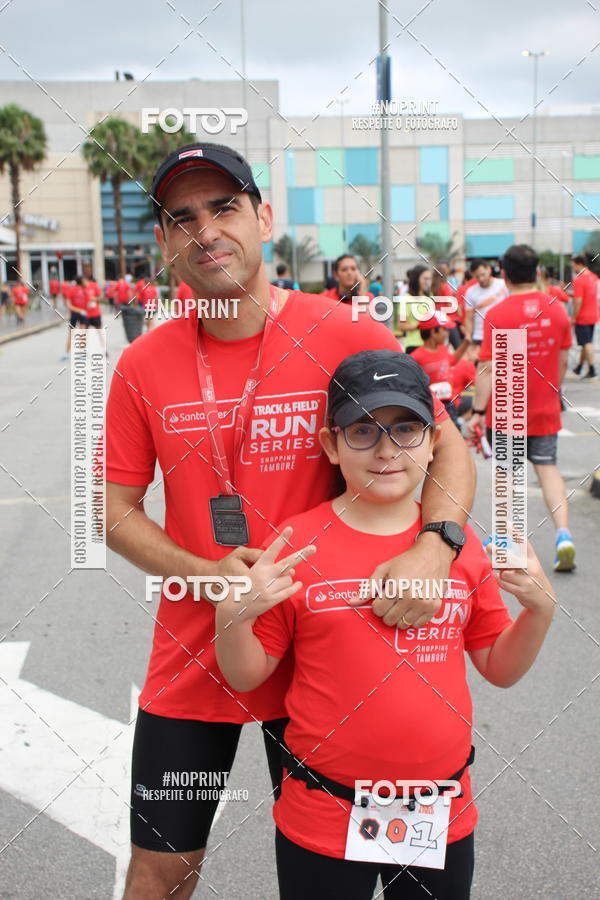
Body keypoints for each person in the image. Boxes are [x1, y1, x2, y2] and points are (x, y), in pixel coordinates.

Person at [105, 142, 476, 899]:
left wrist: (435, 549)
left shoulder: (346, 332)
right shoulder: (142, 364)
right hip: (201, 650)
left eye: (225, 207)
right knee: (161, 870)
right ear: (166, 242)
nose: (207, 230)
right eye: (183, 218)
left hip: (330, 656)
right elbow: (111, 514)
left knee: (349, 871)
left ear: (264, 217)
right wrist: (208, 576)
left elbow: (449, 449)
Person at [214, 348, 555, 900]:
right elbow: (248, 675)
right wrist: (231, 618)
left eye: (405, 430)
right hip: (324, 809)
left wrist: (539, 612)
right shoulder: (297, 544)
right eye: (362, 431)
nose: (387, 450)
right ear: (330, 445)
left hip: (436, 809)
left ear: (433, 441)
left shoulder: (456, 548)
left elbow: (499, 666)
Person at [469, 244, 575, 572]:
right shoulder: (557, 310)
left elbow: (488, 369)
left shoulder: (498, 315)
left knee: (507, 475)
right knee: (547, 469)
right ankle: (563, 534)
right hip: (545, 406)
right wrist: (554, 391)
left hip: (507, 410)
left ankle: (505, 539)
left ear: (504, 273)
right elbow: (563, 359)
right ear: (537, 270)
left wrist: (477, 411)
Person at [410, 315, 470, 425]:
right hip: (430, 406)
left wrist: (466, 343)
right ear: (434, 332)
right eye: (445, 329)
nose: (447, 333)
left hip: (449, 405)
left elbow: (452, 360)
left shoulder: (443, 349)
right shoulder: (416, 357)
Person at [463, 260, 508, 351]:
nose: (481, 279)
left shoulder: (504, 285)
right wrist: (468, 335)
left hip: (504, 335)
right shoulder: (470, 292)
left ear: (488, 269)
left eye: (483, 275)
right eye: (477, 277)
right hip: (480, 337)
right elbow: (469, 318)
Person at [570, 254, 598, 379]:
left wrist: (573, 317)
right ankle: (579, 367)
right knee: (585, 342)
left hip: (582, 316)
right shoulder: (593, 277)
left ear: (579, 264)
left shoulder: (578, 280)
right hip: (593, 314)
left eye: (573, 266)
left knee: (586, 343)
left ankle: (592, 369)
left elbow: (578, 301)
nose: (572, 269)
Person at [394, 265, 433, 352]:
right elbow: (401, 325)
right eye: (425, 279)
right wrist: (420, 325)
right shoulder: (406, 299)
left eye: (430, 279)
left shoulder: (430, 296)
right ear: (416, 279)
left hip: (430, 345)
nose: (428, 282)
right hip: (414, 345)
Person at [61, 275, 88, 359]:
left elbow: (69, 305)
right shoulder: (75, 290)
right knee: (76, 334)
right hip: (77, 314)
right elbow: (69, 305)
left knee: (79, 334)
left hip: (79, 314)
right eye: (84, 280)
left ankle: (77, 353)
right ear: (81, 281)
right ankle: (68, 353)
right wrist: (80, 310)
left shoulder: (83, 290)